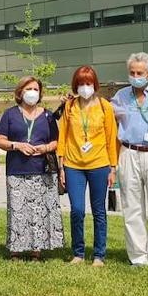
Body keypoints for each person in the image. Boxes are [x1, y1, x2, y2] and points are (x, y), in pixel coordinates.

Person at [110, 52, 148, 267]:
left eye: (140, 73)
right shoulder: (120, 96)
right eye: (132, 72)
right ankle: (138, 256)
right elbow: (104, 116)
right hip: (129, 152)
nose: (136, 76)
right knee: (132, 207)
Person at [0, 76, 62, 260]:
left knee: (38, 211)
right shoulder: (10, 114)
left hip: (42, 169)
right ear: (20, 92)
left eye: (35, 89)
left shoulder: (47, 115)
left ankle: (36, 251)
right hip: (17, 170)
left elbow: (57, 141)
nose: (32, 92)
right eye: (28, 89)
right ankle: (16, 250)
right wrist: (16, 145)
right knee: (18, 211)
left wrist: (45, 148)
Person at [57, 66, 118, 266]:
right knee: (76, 210)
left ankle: (99, 255)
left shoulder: (104, 106)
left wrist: (112, 167)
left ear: (95, 85)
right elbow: (62, 136)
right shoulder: (70, 106)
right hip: (73, 165)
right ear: (76, 85)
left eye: (88, 83)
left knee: (99, 211)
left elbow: (111, 138)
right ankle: (78, 253)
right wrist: (61, 166)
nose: (85, 87)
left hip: (99, 165)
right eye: (81, 84)